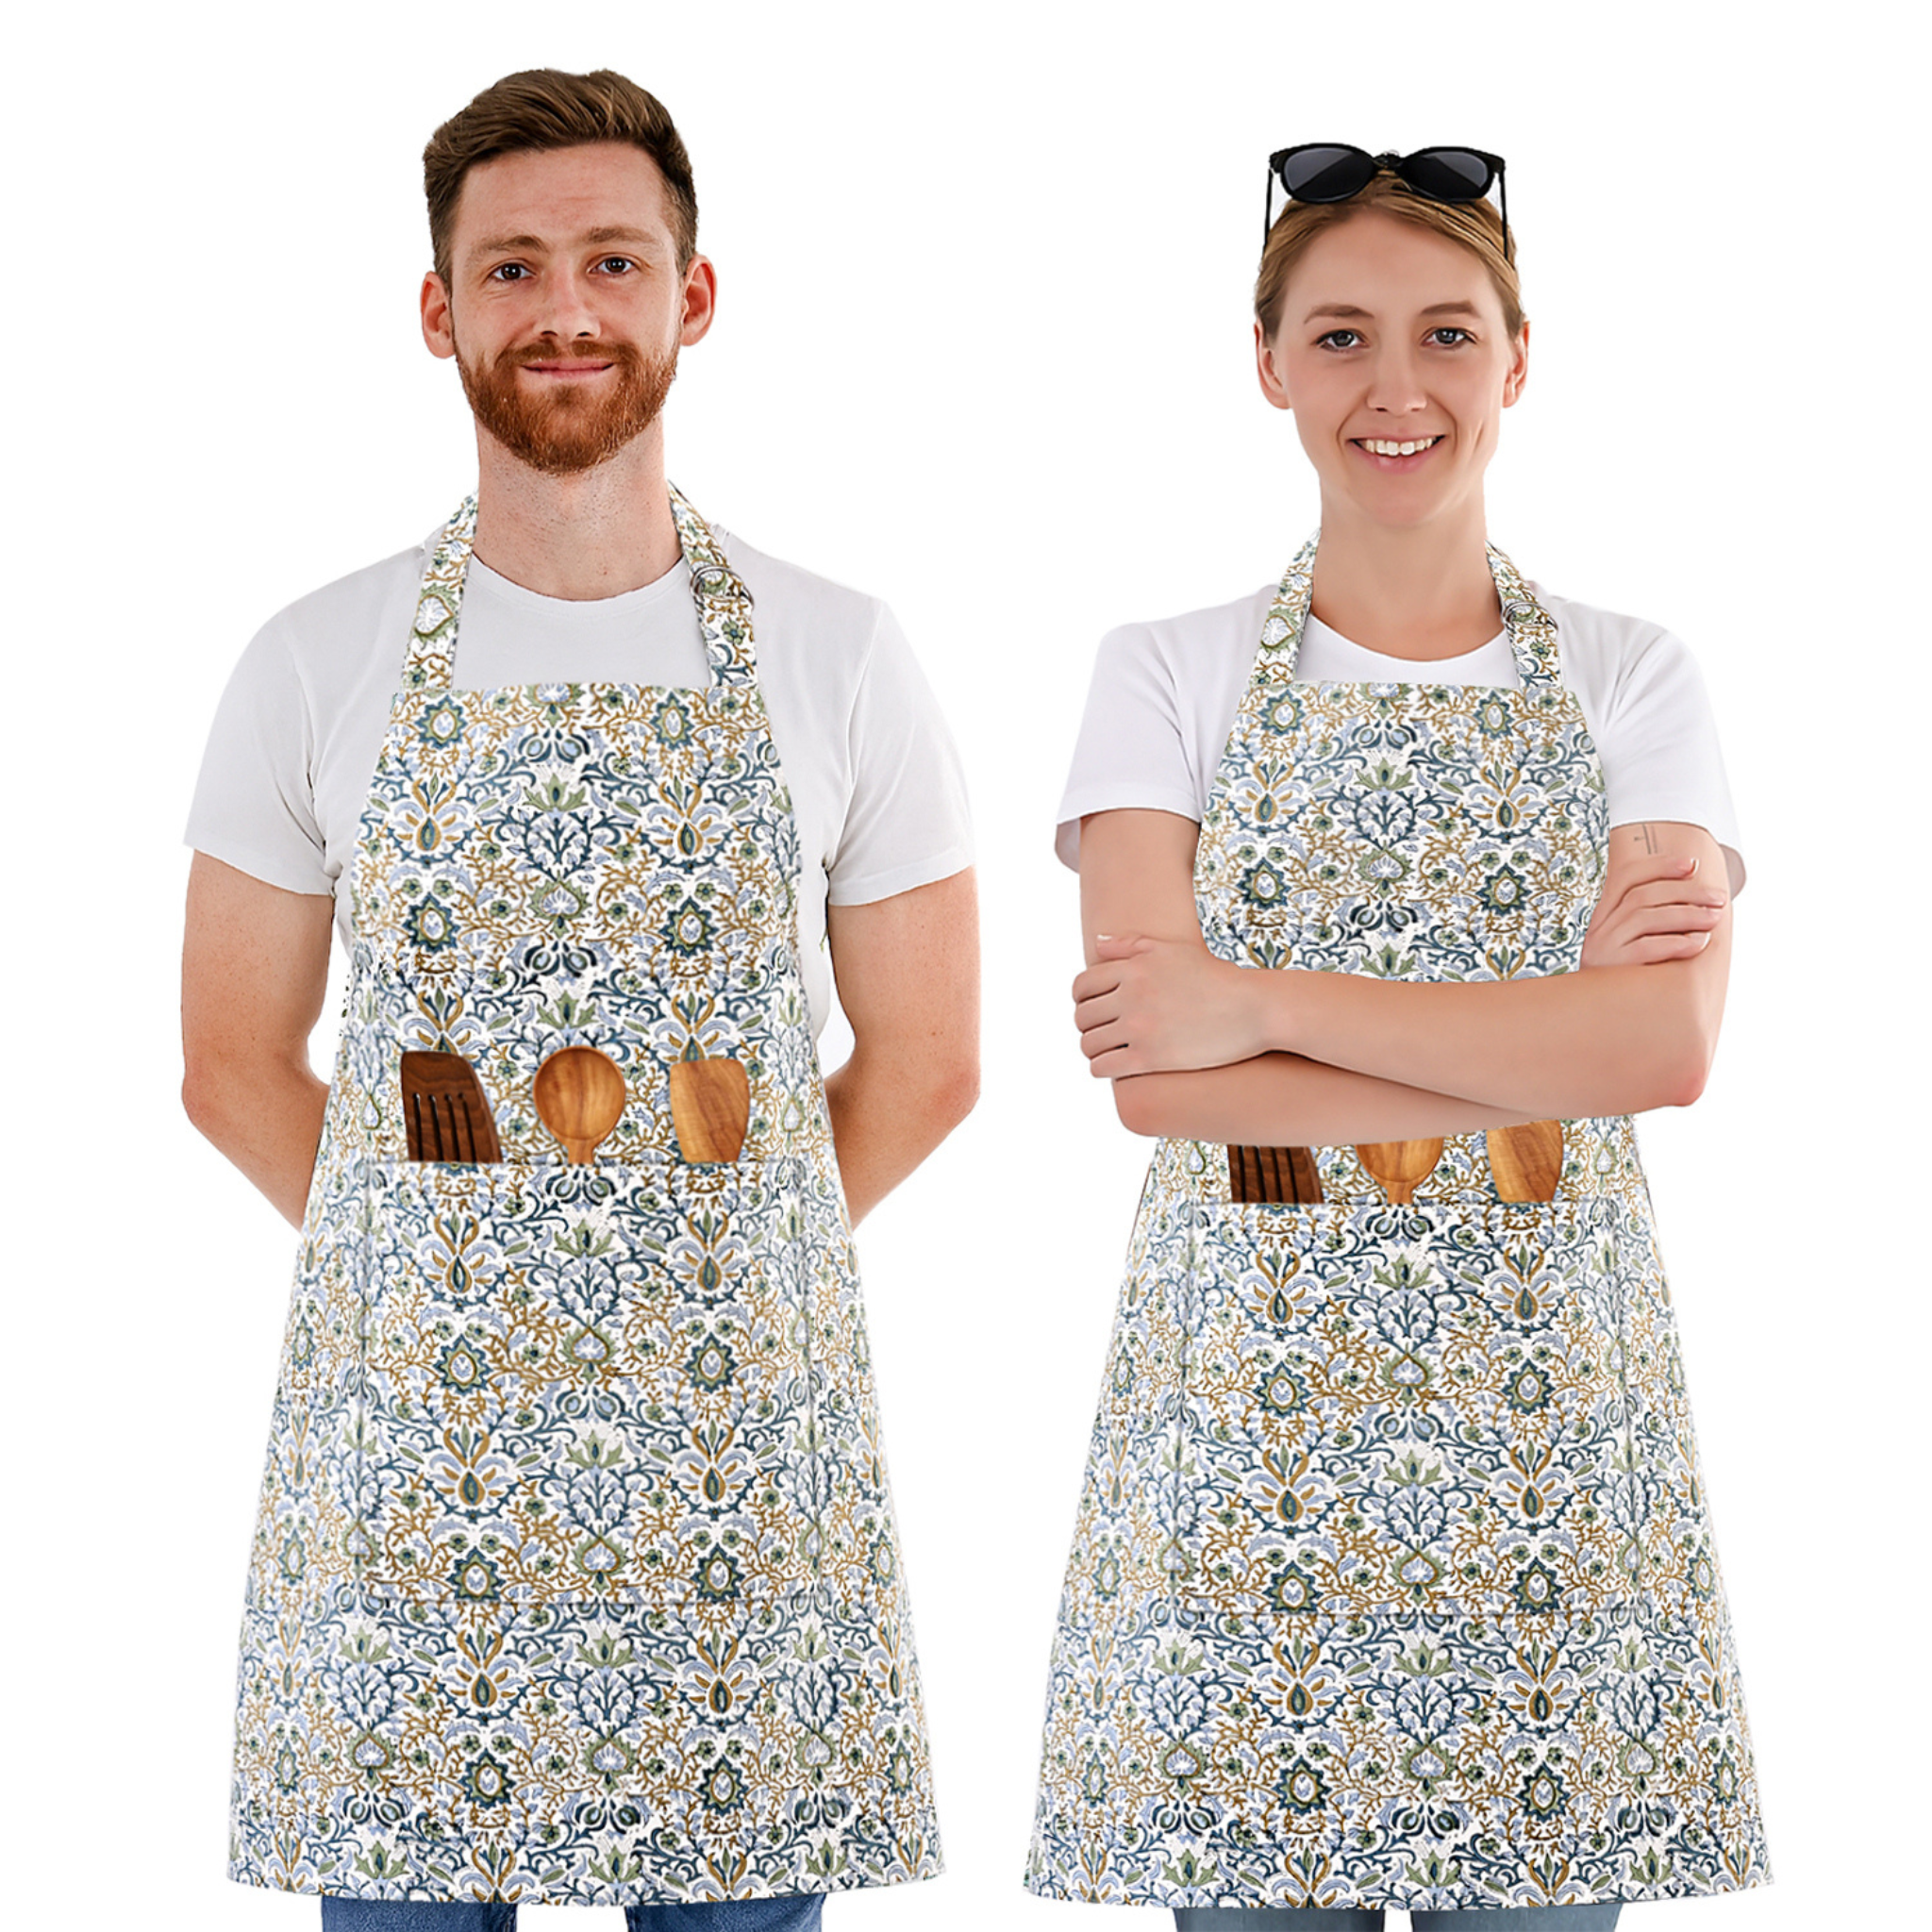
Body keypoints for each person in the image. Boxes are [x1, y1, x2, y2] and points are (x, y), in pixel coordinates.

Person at [180, 68, 976, 1930]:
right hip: (408, 1474)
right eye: (512, 266)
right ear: (439, 310)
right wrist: (458, 1287)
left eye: (611, 260)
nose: (564, 308)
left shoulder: (840, 653)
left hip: (726, 1469)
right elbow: (227, 1061)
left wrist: (681, 1279)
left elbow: (929, 1061)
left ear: (691, 297)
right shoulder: (312, 660)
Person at [1023, 146, 1770, 1927]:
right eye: (1341, 335)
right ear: (1269, 362)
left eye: (1447, 333)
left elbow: (1661, 1053)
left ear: (1519, 359)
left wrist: (1261, 1003)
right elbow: (1156, 1083)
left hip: (1545, 1458)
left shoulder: (1632, 674)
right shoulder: (1165, 670)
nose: (1397, 386)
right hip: (1243, 1454)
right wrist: (1534, 1034)